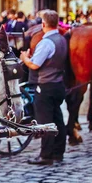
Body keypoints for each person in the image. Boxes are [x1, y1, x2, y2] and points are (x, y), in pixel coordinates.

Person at [19, 10, 67, 165]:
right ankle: (58, 152)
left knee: (45, 122)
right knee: (58, 120)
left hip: (45, 86)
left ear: (43, 24)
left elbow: (35, 64)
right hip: (58, 84)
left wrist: (25, 58)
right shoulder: (61, 39)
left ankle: (46, 156)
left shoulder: (46, 42)